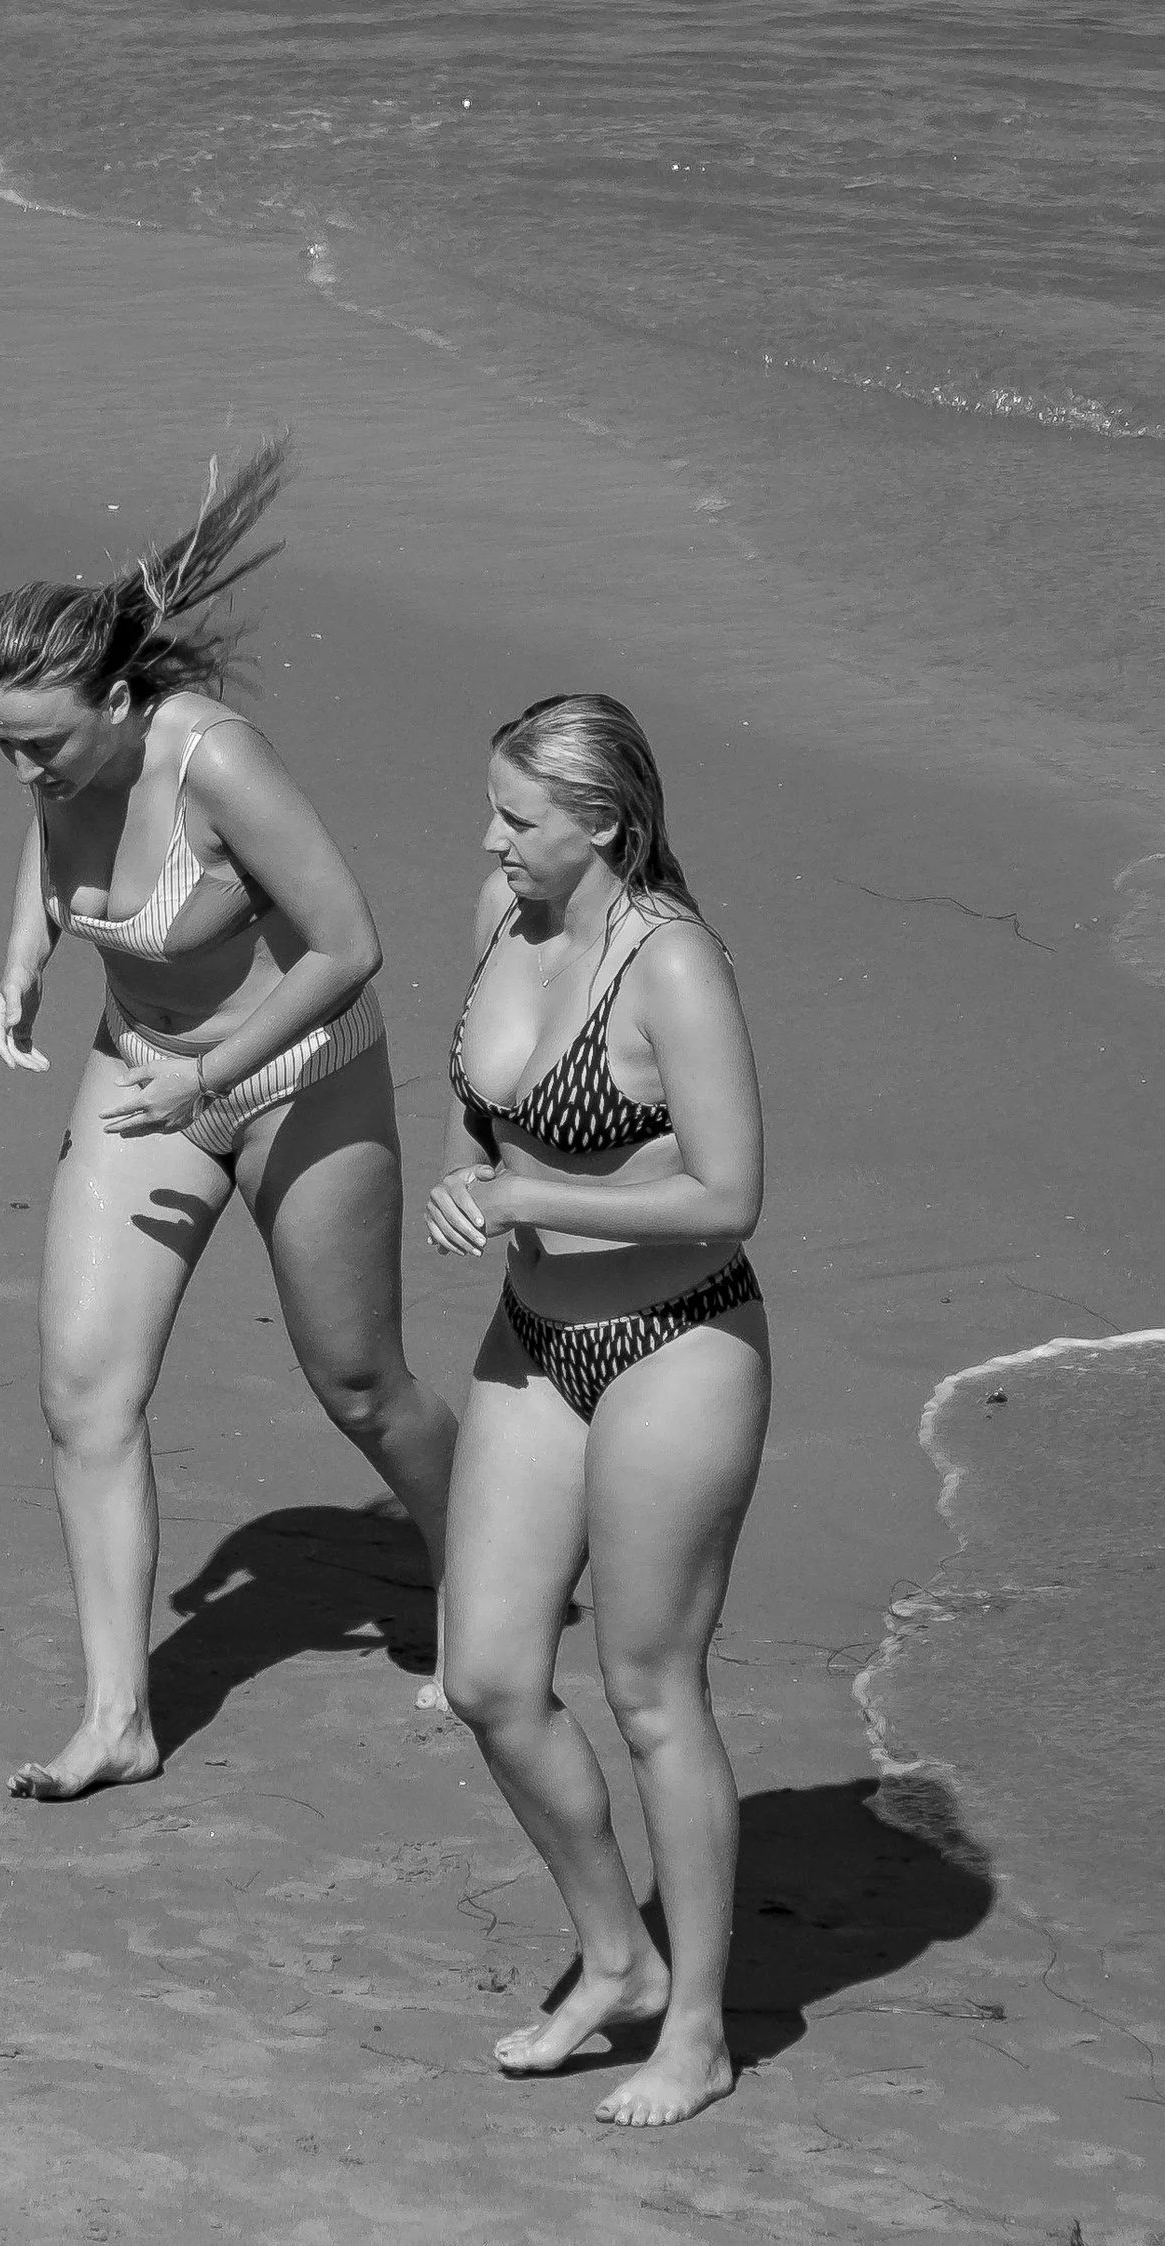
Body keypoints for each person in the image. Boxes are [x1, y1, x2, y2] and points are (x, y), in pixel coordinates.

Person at [0, 437, 456, 1802]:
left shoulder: (214, 764)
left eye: (43, 742)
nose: (22, 773)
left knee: (359, 1381)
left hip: (305, 1073)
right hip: (144, 1074)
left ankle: (484, 1571)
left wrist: (220, 1069)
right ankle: (119, 1713)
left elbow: (349, 942)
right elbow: (55, 825)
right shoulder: (63, 766)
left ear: (120, 702)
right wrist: (25, 955)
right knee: (84, 1394)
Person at [428, 692, 768, 2126]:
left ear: (603, 825)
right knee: (490, 1678)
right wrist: (472, 1182)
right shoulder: (504, 915)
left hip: (677, 1343)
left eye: (516, 817)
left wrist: (533, 1194)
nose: (491, 837)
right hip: (534, 1336)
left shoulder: (671, 966)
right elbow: (482, 1101)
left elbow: (730, 1189)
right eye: (493, 808)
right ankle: (615, 1957)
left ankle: (698, 2024)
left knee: (648, 1689)